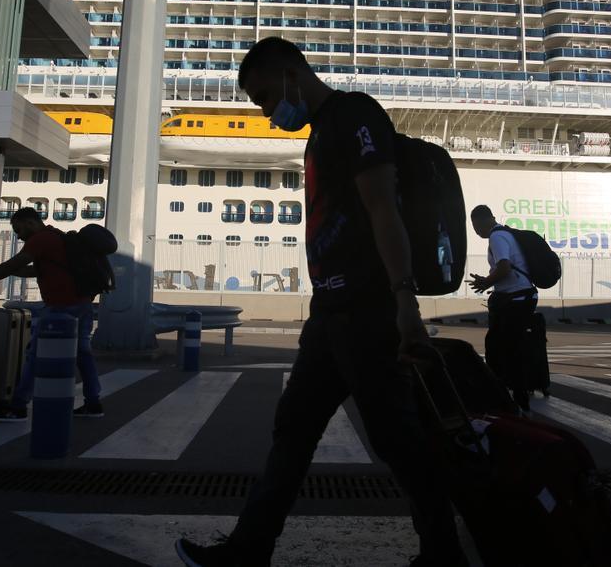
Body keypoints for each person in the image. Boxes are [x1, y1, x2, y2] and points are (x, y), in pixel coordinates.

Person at [176, 37, 464, 567]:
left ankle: (445, 551)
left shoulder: (355, 114)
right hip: (329, 314)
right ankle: (248, 550)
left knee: (395, 438)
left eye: (266, 97)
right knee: (294, 432)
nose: (268, 113)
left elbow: (383, 209)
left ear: (291, 72)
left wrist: (405, 303)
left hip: (369, 310)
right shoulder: (318, 136)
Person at [0, 206, 103, 421]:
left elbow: (13, 265)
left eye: (19, 229)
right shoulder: (56, 237)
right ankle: (93, 402)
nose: (19, 236)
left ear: (31, 222)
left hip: (60, 308)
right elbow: (34, 270)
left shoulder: (40, 240)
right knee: (82, 354)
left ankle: (18, 405)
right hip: (82, 304)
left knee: (36, 354)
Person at [468, 205, 538, 414]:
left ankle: (510, 399)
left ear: (481, 220)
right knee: (506, 347)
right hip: (520, 297)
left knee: (502, 348)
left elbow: (505, 267)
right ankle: (515, 396)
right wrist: (488, 281)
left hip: (515, 299)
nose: (476, 231)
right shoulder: (505, 233)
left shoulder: (496, 237)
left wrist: (485, 283)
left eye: (474, 226)